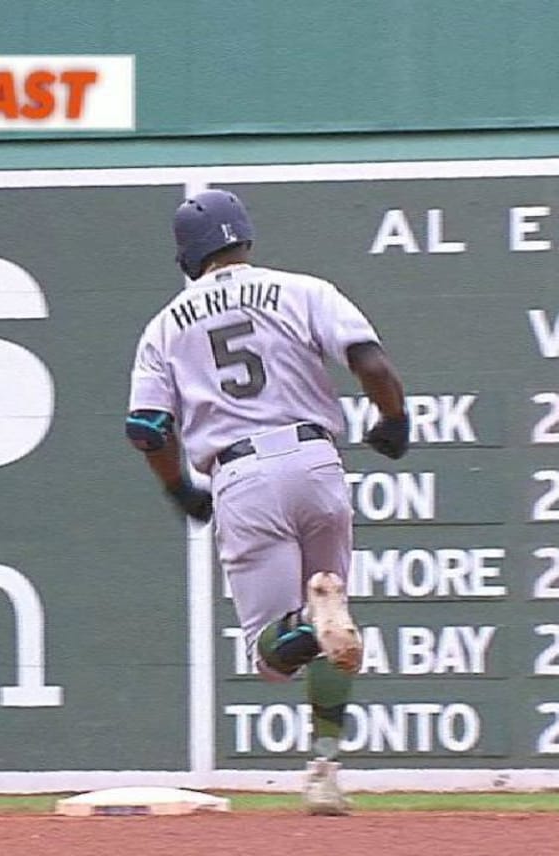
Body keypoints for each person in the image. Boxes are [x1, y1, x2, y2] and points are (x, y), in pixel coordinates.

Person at [125, 189, 409, 815]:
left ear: (187, 257)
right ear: (246, 240)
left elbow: (146, 427)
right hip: (316, 460)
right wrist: (393, 420)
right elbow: (371, 361)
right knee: (333, 607)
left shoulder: (165, 325)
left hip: (243, 474)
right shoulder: (304, 290)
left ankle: (314, 622)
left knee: (274, 655)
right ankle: (325, 770)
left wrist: (177, 487)